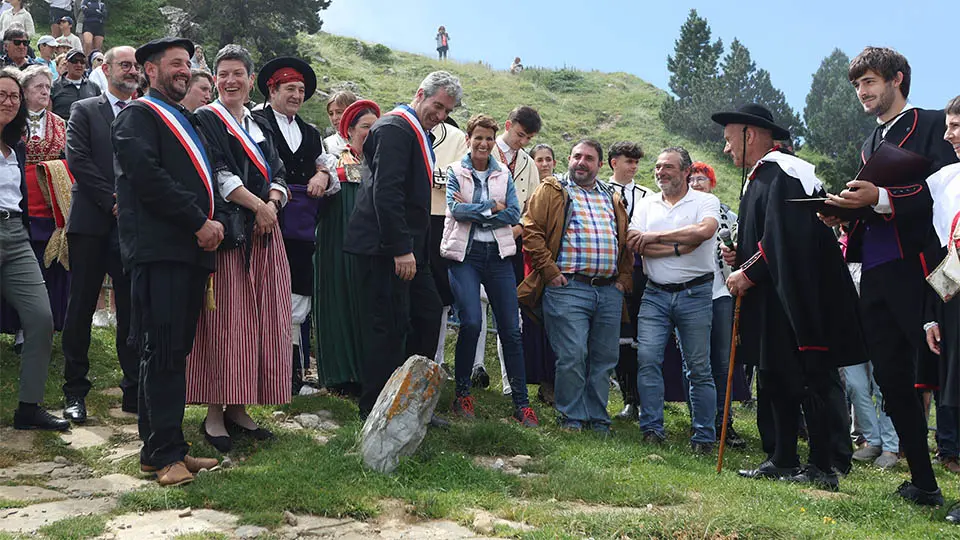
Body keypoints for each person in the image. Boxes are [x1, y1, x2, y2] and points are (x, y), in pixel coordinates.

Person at [821, 47, 958, 504]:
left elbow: (947, 193)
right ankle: (924, 481)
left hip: (925, 273)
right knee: (893, 379)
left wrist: (881, 195)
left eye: (869, 82)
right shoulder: (869, 143)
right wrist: (844, 213)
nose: (862, 92)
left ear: (897, 79)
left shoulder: (936, 123)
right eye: (857, 85)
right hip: (875, 274)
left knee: (944, 376)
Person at [712, 104, 865, 491]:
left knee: (808, 377)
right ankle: (782, 457)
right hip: (774, 298)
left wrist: (749, 271)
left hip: (797, 299)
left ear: (752, 134)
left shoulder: (786, 171)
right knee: (775, 375)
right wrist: (740, 256)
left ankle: (822, 463)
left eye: (730, 139)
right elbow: (767, 238)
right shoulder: (765, 176)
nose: (727, 149)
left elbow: (787, 237)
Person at [113, 36, 222, 486]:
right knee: (161, 351)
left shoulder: (185, 119)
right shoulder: (139, 116)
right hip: (161, 251)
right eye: (176, 63)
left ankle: (162, 447)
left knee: (173, 352)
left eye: (188, 63)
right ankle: (164, 456)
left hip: (187, 253)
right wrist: (198, 220)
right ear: (151, 71)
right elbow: (147, 178)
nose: (185, 69)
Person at [188, 44, 291, 454]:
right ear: (214, 80)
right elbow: (216, 172)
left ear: (251, 81)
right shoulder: (205, 120)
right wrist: (259, 206)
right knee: (226, 322)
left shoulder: (259, 123)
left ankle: (240, 406)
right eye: (223, 74)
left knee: (261, 320)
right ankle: (214, 412)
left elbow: (278, 171)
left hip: (265, 235)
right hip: (230, 235)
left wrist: (274, 203)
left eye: (238, 74)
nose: (231, 81)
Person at [344, 70, 460, 418]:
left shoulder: (416, 131)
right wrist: (400, 248)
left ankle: (409, 402)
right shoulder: (395, 128)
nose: (439, 116)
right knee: (388, 326)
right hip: (386, 247)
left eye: (446, 111)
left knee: (426, 315)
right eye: (437, 106)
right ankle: (375, 407)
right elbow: (387, 191)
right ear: (420, 93)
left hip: (409, 247)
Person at [519, 139, 633, 433]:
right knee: (572, 355)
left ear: (599, 165)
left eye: (589, 158)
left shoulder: (613, 196)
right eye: (577, 156)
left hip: (608, 291)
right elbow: (531, 231)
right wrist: (550, 271)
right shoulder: (553, 190)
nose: (582, 162)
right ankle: (571, 416)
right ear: (569, 159)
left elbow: (624, 240)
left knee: (604, 358)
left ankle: (597, 418)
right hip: (568, 287)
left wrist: (623, 280)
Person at [441, 113, 537, 426]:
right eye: (478, 137)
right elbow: (455, 211)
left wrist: (478, 212)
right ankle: (462, 394)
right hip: (465, 255)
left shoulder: (503, 176)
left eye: (488, 138)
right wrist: (490, 209)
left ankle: (521, 403)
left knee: (511, 329)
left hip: (498, 256)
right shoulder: (456, 170)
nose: (483, 143)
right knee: (470, 322)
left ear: (493, 141)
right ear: (468, 139)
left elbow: (512, 214)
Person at [61, 45, 139, 423]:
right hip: (91, 223)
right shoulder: (84, 109)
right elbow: (77, 159)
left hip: (130, 229)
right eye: (124, 64)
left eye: (136, 65)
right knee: (81, 307)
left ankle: (133, 390)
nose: (131, 70)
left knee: (130, 307)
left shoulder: (144, 114)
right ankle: (74, 391)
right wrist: (113, 201)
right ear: (105, 70)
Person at [627, 147, 719, 453]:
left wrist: (654, 237)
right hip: (655, 293)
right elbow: (634, 242)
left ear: (685, 171)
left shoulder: (705, 200)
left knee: (698, 367)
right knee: (647, 360)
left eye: (668, 167)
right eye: (657, 166)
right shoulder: (646, 203)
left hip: (695, 293)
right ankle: (652, 428)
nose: (660, 172)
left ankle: (704, 437)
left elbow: (704, 231)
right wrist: (679, 247)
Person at [253, 56, 333, 395]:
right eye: (290, 89)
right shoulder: (255, 122)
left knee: (298, 295)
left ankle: (293, 374)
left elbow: (325, 166)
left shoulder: (311, 133)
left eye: (301, 90)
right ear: (273, 90)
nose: (297, 95)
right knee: (261, 292)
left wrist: (322, 174)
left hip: (299, 227)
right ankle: (255, 371)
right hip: (263, 218)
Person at [0, 66, 69, 431]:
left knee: (41, 318)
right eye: (2, 95)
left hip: (14, 233)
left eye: (13, 96)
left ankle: (28, 407)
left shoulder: (17, 146)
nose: (8, 102)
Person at [471, 105, 542, 394]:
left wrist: (519, 229)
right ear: (507, 124)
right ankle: (475, 368)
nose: (523, 142)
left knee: (508, 311)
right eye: (520, 135)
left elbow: (532, 208)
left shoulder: (528, 163)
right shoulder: (484, 150)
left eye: (528, 138)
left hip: (511, 243)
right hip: (476, 238)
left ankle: (509, 380)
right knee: (474, 306)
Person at [314, 98, 379, 395]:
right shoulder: (331, 155)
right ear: (350, 130)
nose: (370, 132)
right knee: (338, 297)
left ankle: (370, 372)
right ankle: (340, 375)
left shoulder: (383, 160)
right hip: (336, 235)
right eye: (365, 126)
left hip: (372, 241)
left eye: (375, 127)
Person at [687, 160, 748, 448]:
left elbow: (742, 251)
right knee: (695, 361)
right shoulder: (680, 210)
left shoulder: (730, 215)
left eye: (702, 178)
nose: (697, 183)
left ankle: (725, 423)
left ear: (712, 183)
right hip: (689, 293)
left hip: (721, 291)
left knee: (723, 362)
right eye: (693, 178)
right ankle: (699, 420)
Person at [924, 96, 960, 523]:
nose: (948, 134)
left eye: (955, 126)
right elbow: (943, 252)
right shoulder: (945, 181)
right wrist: (932, 314)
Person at [606, 140, 652, 420]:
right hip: (611, 270)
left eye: (636, 162)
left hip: (641, 271)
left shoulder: (648, 195)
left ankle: (645, 399)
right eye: (628, 161)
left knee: (641, 337)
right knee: (620, 336)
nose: (633, 167)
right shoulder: (600, 190)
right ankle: (628, 399)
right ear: (614, 162)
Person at [428, 116, 468, 369]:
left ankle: (437, 359)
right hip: (407, 216)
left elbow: (461, 180)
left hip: (441, 219)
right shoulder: (403, 130)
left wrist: (427, 176)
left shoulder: (456, 137)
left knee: (441, 293)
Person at [521, 142, 559, 405]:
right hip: (529, 261)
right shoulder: (527, 189)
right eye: (539, 160)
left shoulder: (562, 190)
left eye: (548, 159)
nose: (544, 164)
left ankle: (552, 384)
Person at [51, 49, 101, 121]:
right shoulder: (54, 86)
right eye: (74, 61)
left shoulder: (94, 87)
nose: (79, 65)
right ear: (67, 63)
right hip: (62, 129)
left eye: (82, 62)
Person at [323, 90, 356, 155]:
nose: (334, 118)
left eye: (339, 112)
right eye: (331, 114)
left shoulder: (366, 139)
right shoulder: (327, 144)